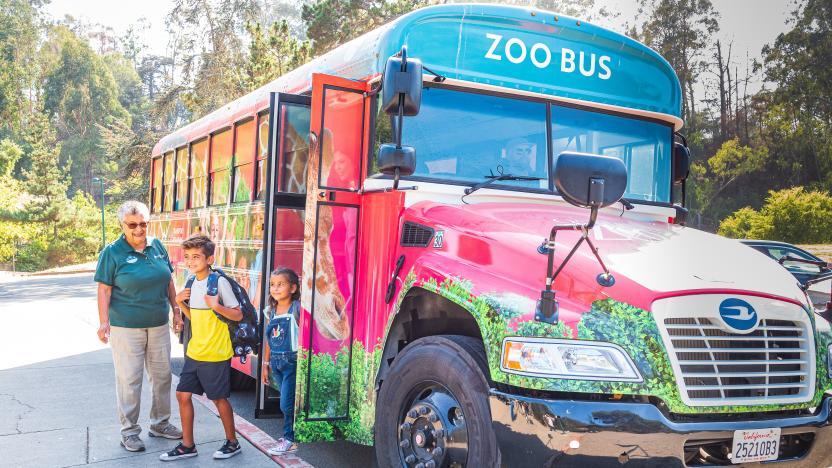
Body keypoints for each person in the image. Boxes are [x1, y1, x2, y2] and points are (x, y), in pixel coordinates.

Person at [94, 200, 184, 452]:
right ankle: (130, 432)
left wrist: (176, 310)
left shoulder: (157, 246)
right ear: (122, 225)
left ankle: (160, 423)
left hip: (157, 325)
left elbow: (168, 280)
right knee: (129, 380)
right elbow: (104, 290)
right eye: (132, 225)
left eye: (143, 224)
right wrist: (104, 322)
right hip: (126, 327)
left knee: (162, 376)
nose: (138, 229)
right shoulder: (112, 252)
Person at [161, 235, 242, 461]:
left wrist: (216, 306)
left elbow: (237, 314)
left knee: (219, 399)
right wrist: (180, 303)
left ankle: (232, 442)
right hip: (195, 351)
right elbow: (194, 319)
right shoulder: (190, 282)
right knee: (182, 394)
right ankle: (187, 446)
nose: (191, 261)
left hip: (216, 352)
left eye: (196, 257)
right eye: (187, 257)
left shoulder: (219, 282)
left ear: (209, 259)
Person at [261, 267, 302, 454]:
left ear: (293, 288)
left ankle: (289, 439)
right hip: (276, 363)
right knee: (287, 403)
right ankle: (289, 435)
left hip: (292, 363)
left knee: (286, 403)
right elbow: (269, 340)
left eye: (280, 284)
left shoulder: (297, 308)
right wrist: (265, 365)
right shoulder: (271, 311)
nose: (275, 288)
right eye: (272, 285)